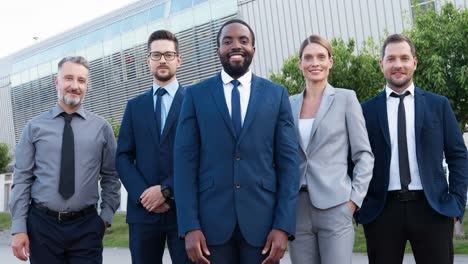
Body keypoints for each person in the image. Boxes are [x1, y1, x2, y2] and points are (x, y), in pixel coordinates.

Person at [174, 19, 299, 264]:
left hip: (263, 226)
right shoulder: (195, 95)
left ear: (253, 48)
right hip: (210, 228)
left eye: (243, 41)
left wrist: (283, 226)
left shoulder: (276, 94)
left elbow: (289, 165)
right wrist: (189, 226)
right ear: (218, 49)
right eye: (227, 41)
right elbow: (184, 164)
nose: (236, 46)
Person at [357, 34, 468, 264]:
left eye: (404, 58)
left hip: (432, 208)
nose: (398, 65)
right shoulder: (365, 110)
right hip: (381, 212)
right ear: (382, 64)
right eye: (391, 59)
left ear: (414, 62)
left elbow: (458, 156)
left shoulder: (439, 105)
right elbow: (353, 159)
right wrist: (361, 207)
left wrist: (456, 202)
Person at [9, 56, 121, 263]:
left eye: (81, 80)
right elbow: (22, 178)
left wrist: (104, 218)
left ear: (87, 85)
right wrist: (19, 228)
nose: (75, 86)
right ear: (56, 81)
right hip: (42, 226)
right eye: (69, 78)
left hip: (87, 227)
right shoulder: (34, 127)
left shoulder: (102, 128)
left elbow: (112, 176)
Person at [287, 35, 374, 264]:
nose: (315, 63)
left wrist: (354, 201)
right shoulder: (287, 104)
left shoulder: (346, 99)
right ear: (300, 64)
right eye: (308, 57)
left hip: (336, 206)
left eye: (321, 57)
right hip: (297, 208)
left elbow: (364, 155)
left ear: (330, 62)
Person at [116, 30, 190, 264]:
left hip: (185, 210)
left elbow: (200, 156)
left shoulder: (194, 101)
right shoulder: (134, 106)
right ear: (147, 60)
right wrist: (143, 195)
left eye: (168, 54)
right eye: (156, 55)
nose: (162, 60)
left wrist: (167, 190)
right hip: (143, 211)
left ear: (179, 59)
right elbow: (123, 157)